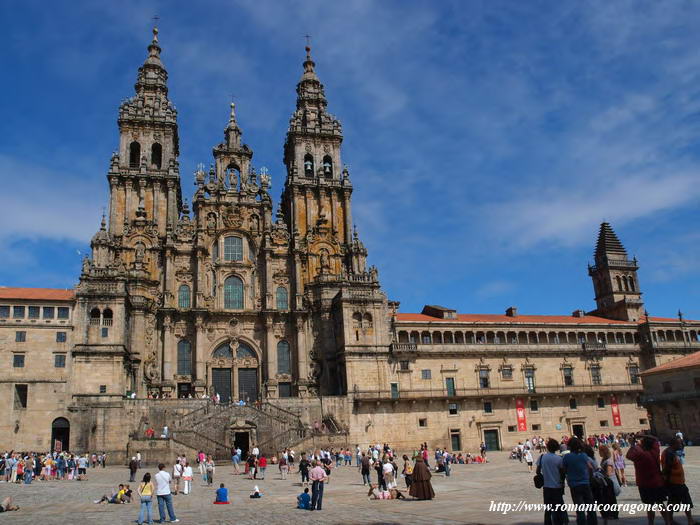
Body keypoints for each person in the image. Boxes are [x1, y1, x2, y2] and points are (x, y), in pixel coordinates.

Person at [626, 433, 670, 525]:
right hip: (657, 481)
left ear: (644, 444)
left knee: (650, 506)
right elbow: (655, 438)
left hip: (644, 483)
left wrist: (633, 444)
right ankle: (667, 522)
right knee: (660, 503)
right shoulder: (655, 450)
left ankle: (651, 523)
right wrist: (644, 436)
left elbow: (629, 456)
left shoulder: (640, 454)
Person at [562, 437, 597, 525]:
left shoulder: (567, 457)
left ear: (569, 446)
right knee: (590, 506)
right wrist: (589, 477)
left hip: (574, 485)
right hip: (585, 483)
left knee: (579, 508)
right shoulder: (583, 455)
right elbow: (590, 467)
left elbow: (564, 470)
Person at [662, 437, 695, 525]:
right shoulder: (669, 454)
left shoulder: (671, 451)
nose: (681, 445)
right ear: (674, 444)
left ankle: (688, 520)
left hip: (678, 482)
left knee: (680, 501)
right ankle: (672, 521)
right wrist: (668, 481)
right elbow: (666, 469)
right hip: (674, 483)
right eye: (679, 443)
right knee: (679, 502)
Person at [537, 438, 567, 525]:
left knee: (548, 510)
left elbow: (537, 471)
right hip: (557, 487)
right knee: (558, 509)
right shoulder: (559, 459)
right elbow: (562, 473)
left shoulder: (542, 457)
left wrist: (545, 473)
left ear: (547, 447)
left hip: (546, 487)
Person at [597, 445, 620, 523]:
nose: (599, 452)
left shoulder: (608, 461)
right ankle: (610, 513)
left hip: (610, 482)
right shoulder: (604, 459)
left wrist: (600, 473)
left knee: (611, 499)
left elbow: (608, 473)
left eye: (600, 451)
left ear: (603, 452)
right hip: (606, 482)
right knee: (608, 499)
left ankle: (614, 514)